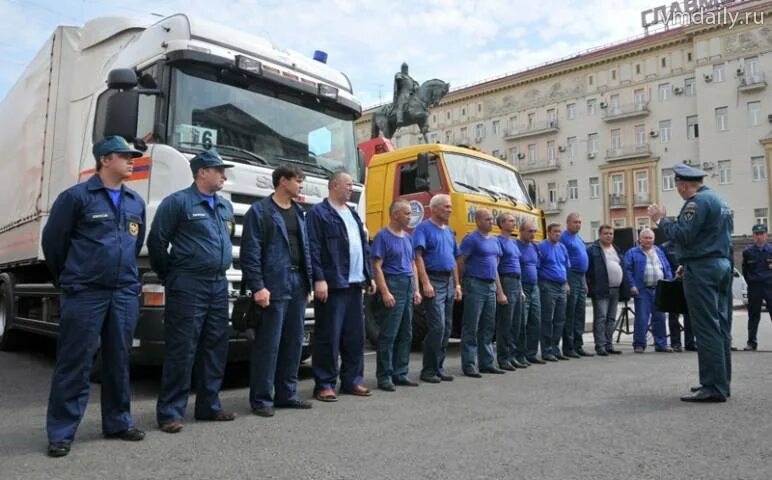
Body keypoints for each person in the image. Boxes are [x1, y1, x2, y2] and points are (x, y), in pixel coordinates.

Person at [42, 136, 146, 457]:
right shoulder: (76, 198)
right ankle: (61, 431)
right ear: (105, 160)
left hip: (123, 292)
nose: (132, 161)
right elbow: (54, 243)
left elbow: (135, 242)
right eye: (125, 156)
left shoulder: (134, 201)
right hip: (86, 291)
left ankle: (117, 421)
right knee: (75, 362)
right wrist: (72, 279)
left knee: (118, 360)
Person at [148, 150, 237, 433]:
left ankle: (208, 406)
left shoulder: (224, 206)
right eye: (218, 169)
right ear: (201, 173)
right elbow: (157, 243)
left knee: (215, 346)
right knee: (182, 348)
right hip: (188, 284)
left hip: (218, 283)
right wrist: (171, 275)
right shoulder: (178, 203)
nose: (224, 175)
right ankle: (171, 412)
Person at [649, 163, 734, 403]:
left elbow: (683, 235)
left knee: (706, 327)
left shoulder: (696, 203)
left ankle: (713, 386)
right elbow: (719, 238)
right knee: (721, 326)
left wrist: (661, 220)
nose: (677, 190)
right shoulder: (720, 201)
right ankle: (721, 382)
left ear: (684, 185)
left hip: (703, 270)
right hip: (721, 265)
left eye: (677, 186)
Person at [240, 165, 314, 417]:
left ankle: (287, 394)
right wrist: (258, 286)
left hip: (297, 283)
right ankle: (261, 399)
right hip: (273, 284)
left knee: (293, 342)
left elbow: (306, 251)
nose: (301, 185)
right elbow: (250, 253)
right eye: (298, 180)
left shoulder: (299, 212)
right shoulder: (259, 212)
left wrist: (309, 283)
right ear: (283, 181)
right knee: (268, 344)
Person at [307, 172, 375, 402]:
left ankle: (352, 380)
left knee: (355, 337)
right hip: (333, 284)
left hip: (355, 284)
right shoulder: (319, 213)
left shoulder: (353, 214)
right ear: (334, 185)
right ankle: (324, 384)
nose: (351, 189)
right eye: (347, 185)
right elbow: (313, 248)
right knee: (329, 336)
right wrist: (319, 278)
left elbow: (363, 247)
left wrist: (369, 275)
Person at [372, 200, 422, 391]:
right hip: (393, 283)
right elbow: (377, 266)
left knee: (406, 332)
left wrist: (416, 290)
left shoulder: (408, 238)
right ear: (395, 215)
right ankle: (384, 376)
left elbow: (412, 265)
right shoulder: (382, 237)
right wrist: (385, 291)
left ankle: (400, 373)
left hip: (408, 284)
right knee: (389, 333)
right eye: (407, 213)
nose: (410, 217)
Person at [414, 194, 462, 384]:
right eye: (446, 207)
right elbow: (418, 257)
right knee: (437, 326)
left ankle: (439, 368)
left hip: (449, 281)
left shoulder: (450, 231)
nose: (450, 210)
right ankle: (428, 370)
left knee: (447, 327)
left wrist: (457, 284)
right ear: (433, 209)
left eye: (450, 207)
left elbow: (454, 260)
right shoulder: (423, 228)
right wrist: (425, 283)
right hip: (433, 279)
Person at [458, 209, 506, 377]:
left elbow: (495, 267)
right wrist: (461, 283)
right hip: (475, 285)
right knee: (471, 325)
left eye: (491, 219)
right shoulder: (471, 239)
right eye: (487, 219)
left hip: (491, 285)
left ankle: (486, 363)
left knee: (487, 326)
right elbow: (461, 261)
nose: (491, 222)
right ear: (477, 221)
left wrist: (500, 291)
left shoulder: (495, 241)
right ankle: (469, 365)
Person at [623, 228, 673, 353]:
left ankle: (661, 344)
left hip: (659, 289)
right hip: (642, 290)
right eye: (645, 237)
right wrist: (631, 285)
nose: (648, 240)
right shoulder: (632, 252)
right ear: (639, 239)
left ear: (654, 239)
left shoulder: (659, 251)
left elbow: (666, 267)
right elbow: (627, 270)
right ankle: (639, 345)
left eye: (650, 238)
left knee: (660, 318)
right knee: (642, 318)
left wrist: (669, 284)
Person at [585, 225, 626, 356]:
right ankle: (600, 346)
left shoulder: (616, 249)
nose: (609, 236)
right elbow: (587, 269)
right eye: (606, 233)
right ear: (600, 235)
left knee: (611, 318)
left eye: (611, 234)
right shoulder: (592, 249)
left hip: (615, 288)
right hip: (601, 288)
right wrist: (589, 285)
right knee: (601, 318)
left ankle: (609, 344)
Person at [494, 213, 526, 370]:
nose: (514, 223)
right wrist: (500, 291)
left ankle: (512, 356)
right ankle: (503, 358)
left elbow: (517, 266)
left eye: (514, 221)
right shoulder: (498, 241)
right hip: (506, 281)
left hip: (516, 282)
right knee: (505, 323)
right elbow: (495, 268)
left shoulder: (513, 243)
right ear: (501, 223)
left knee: (516, 323)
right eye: (511, 221)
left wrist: (520, 289)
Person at [560, 213, 594, 358]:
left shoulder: (579, 238)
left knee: (580, 312)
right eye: (575, 222)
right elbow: (562, 261)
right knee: (571, 313)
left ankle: (578, 345)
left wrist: (585, 281)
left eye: (580, 222)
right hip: (571, 275)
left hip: (581, 277)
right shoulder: (564, 238)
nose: (578, 224)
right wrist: (566, 282)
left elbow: (583, 260)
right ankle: (568, 347)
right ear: (568, 223)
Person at [538, 223, 571, 362]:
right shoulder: (541, 247)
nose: (558, 234)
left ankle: (556, 349)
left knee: (560, 319)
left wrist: (567, 283)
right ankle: (546, 350)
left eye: (559, 231)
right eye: (555, 231)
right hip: (548, 285)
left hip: (562, 285)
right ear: (548, 232)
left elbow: (566, 266)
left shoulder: (562, 247)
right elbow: (537, 267)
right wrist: (542, 285)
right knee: (547, 319)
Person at [516, 220, 545, 365]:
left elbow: (537, 266)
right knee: (522, 322)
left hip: (535, 288)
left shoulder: (534, 247)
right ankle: (519, 355)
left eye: (534, 231)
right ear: (521, 231)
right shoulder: (516, 246)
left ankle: (531, 353)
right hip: (523, 287)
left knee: (536, 321)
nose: (533, 234)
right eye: (530, 231)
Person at [741, 223, 772, 351]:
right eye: (757, 234)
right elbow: (745, 271)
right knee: (753, 315)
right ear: (753, 236)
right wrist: (751, 282)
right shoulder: (748, 252)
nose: (759, 237)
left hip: (770, 286)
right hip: (755, 287)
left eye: (762, 234)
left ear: (766, 235)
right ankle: (751, 342)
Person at [662, 239, 696, 352]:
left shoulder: (690, 244)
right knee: (673, 315)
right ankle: (675, 343)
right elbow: (664, 265)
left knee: (690, 315)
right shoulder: (665, 247)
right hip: (673, 283)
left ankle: (690, 343)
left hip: (690, 282)